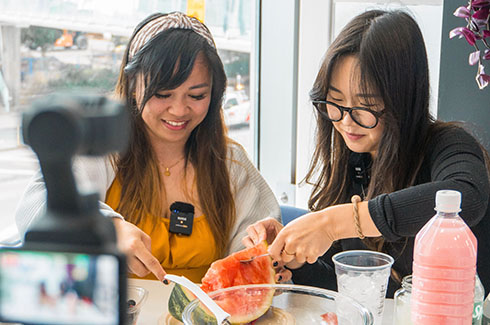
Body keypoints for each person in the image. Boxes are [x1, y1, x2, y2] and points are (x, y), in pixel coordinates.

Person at [15, 11, 281, 283]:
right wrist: (111, 229)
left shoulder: (229, 162)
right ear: (132, 86)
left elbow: (254, 250)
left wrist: (266, 251)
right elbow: (33, 210)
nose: (179, 110)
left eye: (197, 95)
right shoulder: (104, 149)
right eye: (162, 94)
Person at [243, 9, 490, 297]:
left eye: (366, 106)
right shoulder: (354, 160)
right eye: (335, 102)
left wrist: (335, 222)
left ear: (403, 100)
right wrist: (298, 262)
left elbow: (463, 198)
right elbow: (353, 288)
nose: (346, 121)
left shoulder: (449, 145)